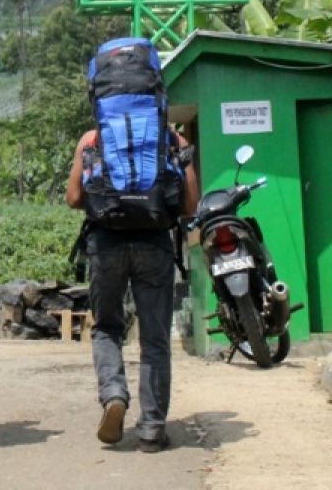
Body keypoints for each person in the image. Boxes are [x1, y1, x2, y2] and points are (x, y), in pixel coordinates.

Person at [66, 127, 198, 453]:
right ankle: (152, 428)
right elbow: (192, 204)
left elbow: (73, 198)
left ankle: (113, 395)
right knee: (155, 338)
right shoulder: (171, 139)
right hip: (154, 243)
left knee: (107, 328)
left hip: (106, 242)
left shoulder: (92, 138)